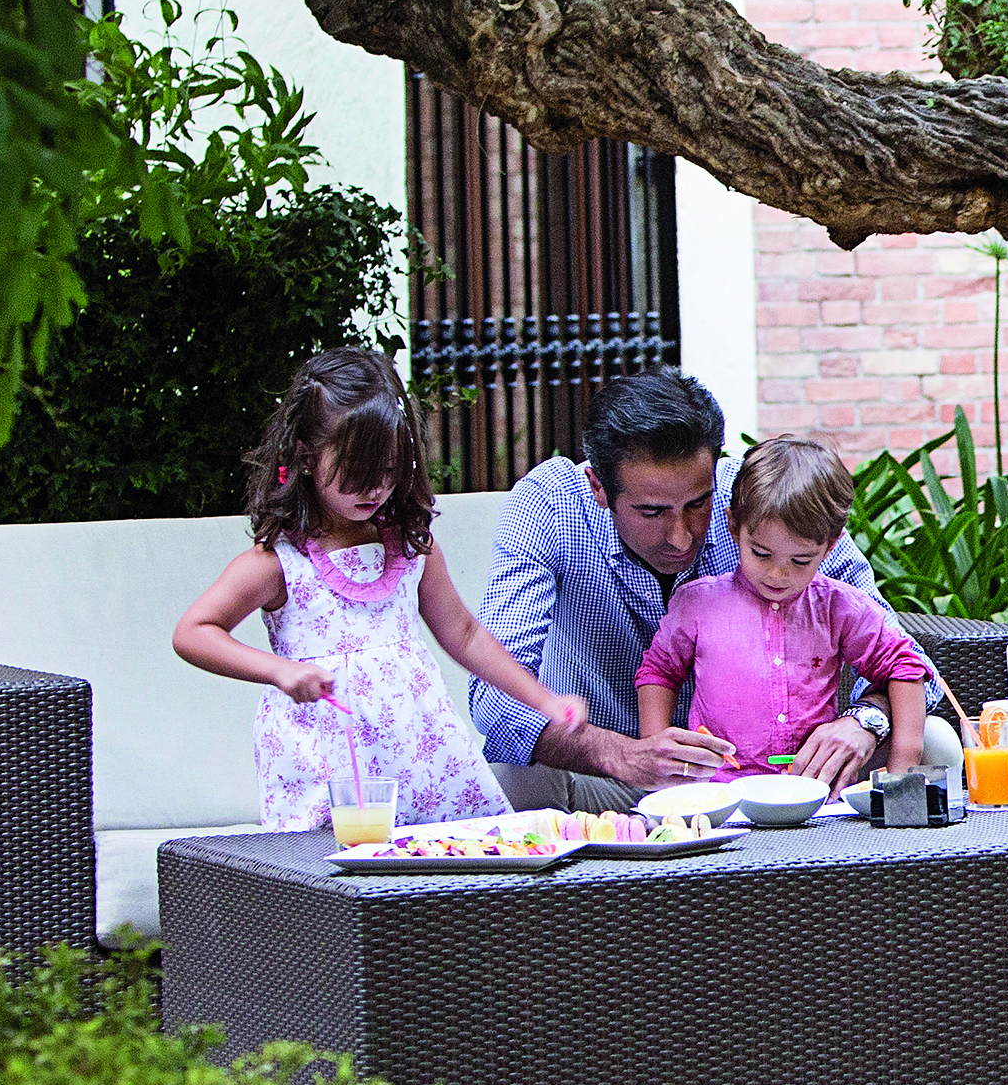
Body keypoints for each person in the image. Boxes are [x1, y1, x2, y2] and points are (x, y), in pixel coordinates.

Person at [171, 349, 587, 833]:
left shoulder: (411, 545)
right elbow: (194, 631)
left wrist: (542, 701)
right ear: (307, 457)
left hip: (420, 751)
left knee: (454, 862)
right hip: (328, 764)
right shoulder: (279, 564)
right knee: (335, 883)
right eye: (356, 474)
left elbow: (466, 635)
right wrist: (280, 671)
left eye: (389, 471)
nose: (375, 490)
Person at [470, 368, 918, 810]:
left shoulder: (757, 504)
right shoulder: (552, 502)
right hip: (616, 784)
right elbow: (493, 699)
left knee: (930, 743)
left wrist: (865, 720)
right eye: (651, 513)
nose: (681, 537)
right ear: (599, 488)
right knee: (509, 779)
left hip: (785, 780)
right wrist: (622, 754)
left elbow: (914, 666)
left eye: (697, 504)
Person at [636, 437, 933, 784]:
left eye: (800, 560)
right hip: (718, 787)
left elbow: (904, 664)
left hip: (814, 786)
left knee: (938, 737)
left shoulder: (838, 608)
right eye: (761, 554)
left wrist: (903, 766)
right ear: (734, 527)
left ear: (831, 545)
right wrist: (655, 754)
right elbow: (658, 672)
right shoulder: (698, 605)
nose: (778, 574)